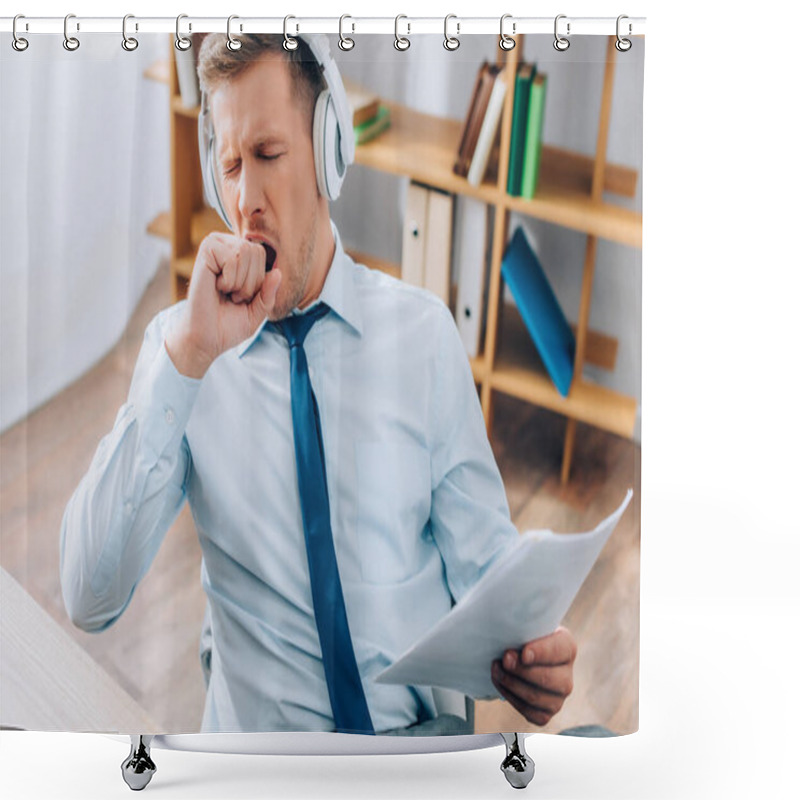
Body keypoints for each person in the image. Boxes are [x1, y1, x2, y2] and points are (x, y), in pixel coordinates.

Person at [60, 34, 576, 735]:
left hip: (413, 756)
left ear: (331, 151)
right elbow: (88, 596)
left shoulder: (424, 337)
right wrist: (184, 359)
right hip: (261, 768)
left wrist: (533, 652)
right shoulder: (183, 356)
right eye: (231, 166)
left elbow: (486, 561)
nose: (246, 200)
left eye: (269, 156)